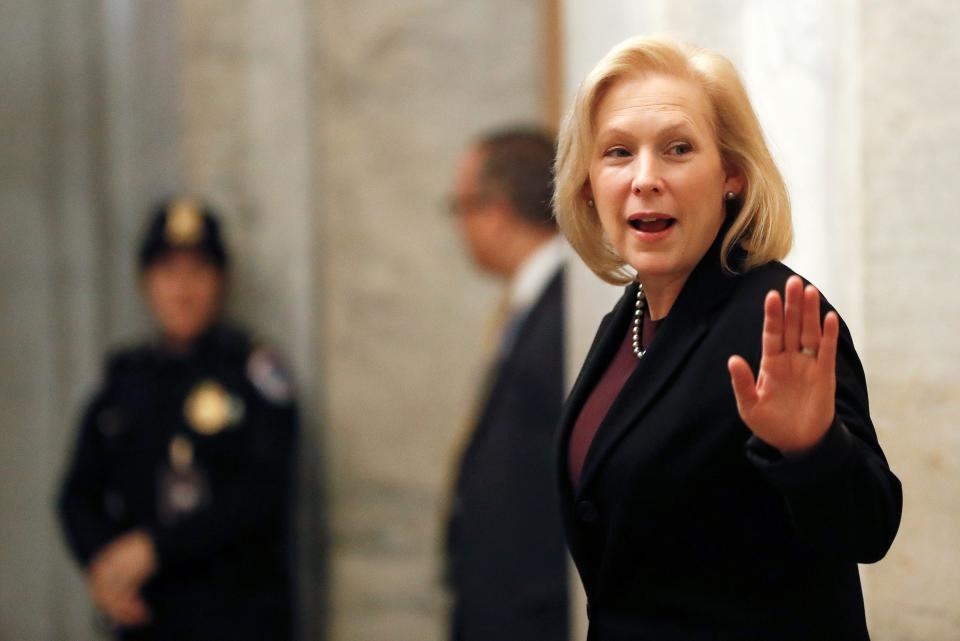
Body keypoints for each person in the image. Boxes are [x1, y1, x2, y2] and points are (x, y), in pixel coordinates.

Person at [551, 36, 902, 640]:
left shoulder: (776, 316)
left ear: (732, 176)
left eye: (678, 149)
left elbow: (869, 526)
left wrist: (810, 448)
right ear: (588, 183)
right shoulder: (629, 316)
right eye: (617, 153)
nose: (644, 178)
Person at [58, 198, 298, 641]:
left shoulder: (253, 372)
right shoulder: (126, 377)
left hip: (234, 619)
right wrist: (105, 563)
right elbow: (77, 493)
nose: (182, 290)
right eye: (169, 272)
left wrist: (154, 548)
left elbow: (261, 493)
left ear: (221, 281)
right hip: (148, 619)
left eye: (197, 272)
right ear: (146, 283)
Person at [445, 128, 571, 641]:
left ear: (495, 210)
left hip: (535, 614)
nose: (460, 227)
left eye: (461, 208)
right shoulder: (534, 306)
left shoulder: (567, 313)